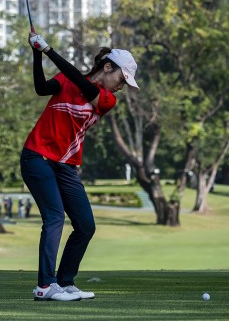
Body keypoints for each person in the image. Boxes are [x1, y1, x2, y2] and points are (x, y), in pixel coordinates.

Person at [20, 28, 138, 302]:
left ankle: (65, 282)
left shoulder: (107, 99)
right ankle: (45, 286)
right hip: (37, 157)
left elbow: (83, 84)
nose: (122, 86)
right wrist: (38, 54)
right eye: (122, 78)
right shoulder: (66, 81)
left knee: (85, 225)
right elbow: (41, 88)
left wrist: (49, 49)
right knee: (54, 217)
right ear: (107, 67)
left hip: (65, 166)